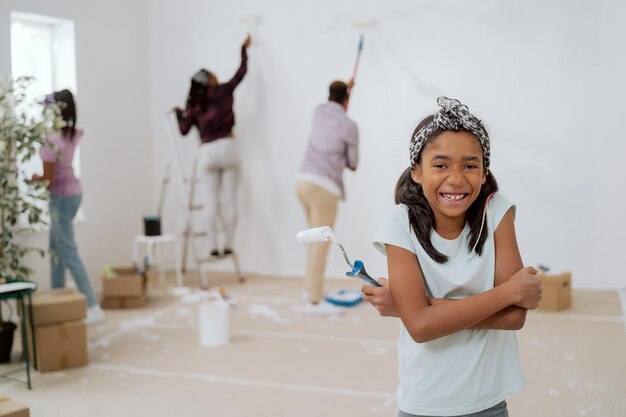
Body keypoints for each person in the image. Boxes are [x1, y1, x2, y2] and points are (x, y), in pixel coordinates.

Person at [364, 97, 541, 416]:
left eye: (470, 165)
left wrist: (417, 306)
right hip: (425, 402)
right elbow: (419, 326)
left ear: (485, 172)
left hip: (488, 400)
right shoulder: (399, 223)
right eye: (441, 164)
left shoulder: (497, 212)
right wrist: (508, 292)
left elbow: (514, 317)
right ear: (417, 171)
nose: (456, 179)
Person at [173, 34, 251, 258]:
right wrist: (243, 50)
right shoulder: (223, 92)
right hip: (228, 147)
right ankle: (228, 245)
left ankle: (212, 247)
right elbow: (241, 73)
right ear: (210, 81)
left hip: (207, 152)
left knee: (211, 202)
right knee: (230, 201)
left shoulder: (195, 105)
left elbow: (184, 130)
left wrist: (180, 113)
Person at [33, 89, 105, 324]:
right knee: (56, 251)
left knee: (69, 253)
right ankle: (58, 296)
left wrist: (33, 178)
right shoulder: (72, 134)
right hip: (75, 194)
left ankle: (93, 306)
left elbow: (48, 180)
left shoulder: (51, 142)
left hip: (61, 199)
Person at [295, 79, 359, 315]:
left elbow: (335, 100)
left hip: (302, 181)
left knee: (313, 241)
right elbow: (353, 163)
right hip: (324, 188)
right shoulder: (349, 125)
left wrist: (346, 90)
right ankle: (314, 299)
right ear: (347, 99)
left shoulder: (319, 111)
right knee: (320, 244)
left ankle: (309, 289)